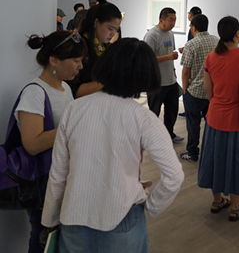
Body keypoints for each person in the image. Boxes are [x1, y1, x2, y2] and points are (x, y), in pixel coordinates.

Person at [41, 38, 184, 253]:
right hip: (123, 217)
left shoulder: (74, 109)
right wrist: (152, 206)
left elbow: (59, 172)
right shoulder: (144, 118)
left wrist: (50, 220)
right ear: (146, 74)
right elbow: (174, 176)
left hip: (73, 217)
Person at [16, 31, 86, 253]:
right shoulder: (34, 93)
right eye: (76, 60)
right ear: (54, 60)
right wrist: (72, 126)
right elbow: (32, 144)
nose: (80, 66)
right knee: (42, 237)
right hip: (42, 181)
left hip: (61, 177)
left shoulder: (65, 89)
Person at [198, 16, 239, 221]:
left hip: (215, 118)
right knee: (237, 161)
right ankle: (235, 207)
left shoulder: (210, 58)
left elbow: (208, 90)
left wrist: (219, 103)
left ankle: (217, 201)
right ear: (237, 33)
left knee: (215, 159)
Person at [179, 14, 219, 161]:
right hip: (212, 92)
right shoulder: (216, 41)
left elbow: (185, 71)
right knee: (211, 124)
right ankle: (210, 152)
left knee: (193, 124)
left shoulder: (191, 44)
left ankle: (192, 152)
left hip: (194, 92)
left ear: (194, 27)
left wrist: (185, 90)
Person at [144, 7, 183, 143]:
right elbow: (147, 58)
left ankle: (169, 134)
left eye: (175, 20)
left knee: (172, 110)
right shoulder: (152, 35)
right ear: (162, 20)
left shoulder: (170, 34)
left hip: (170, 80)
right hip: (156, 82)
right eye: (171, 20)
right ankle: (151, 138)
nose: (173, 23)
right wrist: (167, 57)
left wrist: (173, 69)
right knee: (154, 112)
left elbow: (170, 53)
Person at [70, 2, 122, 98]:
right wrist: (106, 79)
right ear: (96, 23)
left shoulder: (106, 46)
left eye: (116, 30)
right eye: (110, 29)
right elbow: (72, 91)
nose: (113, 34)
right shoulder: (77, 47)